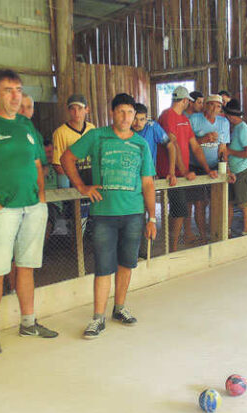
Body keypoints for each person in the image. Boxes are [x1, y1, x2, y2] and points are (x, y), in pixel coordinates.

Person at [0, 69, 58, 355]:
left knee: (26, 267)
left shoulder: (26, 125)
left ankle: (28, 322)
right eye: (8, 90)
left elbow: (37, 165)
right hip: (2, 209)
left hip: (32, 207)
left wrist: (41, 199)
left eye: (18, 89)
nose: (15, 95)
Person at [60, 93, 157, 339]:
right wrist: (82, 187)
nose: (126, 117)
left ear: (135, 116)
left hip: (134, 214)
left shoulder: (141, 144)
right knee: (104, 267)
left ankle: (120, 308)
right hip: (103, 214)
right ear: (112, 113)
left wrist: (152, 217)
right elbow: (67, 158)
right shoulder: (96, 136)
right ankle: (97, 318)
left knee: (126, 263)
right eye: (121, 112)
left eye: (130, 113)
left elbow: (147, 183)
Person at [156, 86, 217, 252]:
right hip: (170, 172)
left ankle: (173, 245)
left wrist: (207, 169)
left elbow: (195, 147)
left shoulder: (184, 119)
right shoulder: (167, 115)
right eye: (188, 101)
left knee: (181, 209)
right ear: (184, 100)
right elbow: (172, 144)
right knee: (179, 209)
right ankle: (172, 248)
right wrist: (183, 172)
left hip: (181, 172)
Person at [188, 94, 230, 243]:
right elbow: (187, 144)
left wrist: (225, 168)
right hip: (196, 166)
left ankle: (215, 232)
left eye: (218, 106)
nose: (214, 108)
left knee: (216, 200)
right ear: (205, 105)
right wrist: (203, 139)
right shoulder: (194, 119)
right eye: (211, 105)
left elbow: (223, 148)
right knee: (199, 203)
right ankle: (203, 236)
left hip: (214, 166)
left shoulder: (223, 122)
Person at [223, 98, 247, 236]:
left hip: (242, 171)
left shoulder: (243, 129)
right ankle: (228, 231)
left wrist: (230, 152)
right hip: (233, 171)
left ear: (230, 116)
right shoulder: (235, 128)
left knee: (243, 203)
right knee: (229, 202)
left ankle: (245, 231)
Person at [52, 94, 96, 188]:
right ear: (68, 111)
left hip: (90, 179)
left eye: (80, 108)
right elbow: (57, 165)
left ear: (87, 109)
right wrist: (75, 182)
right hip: (72, 182)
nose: (76, 112)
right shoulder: (60, 133)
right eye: (72, 109)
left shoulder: (91, 129)